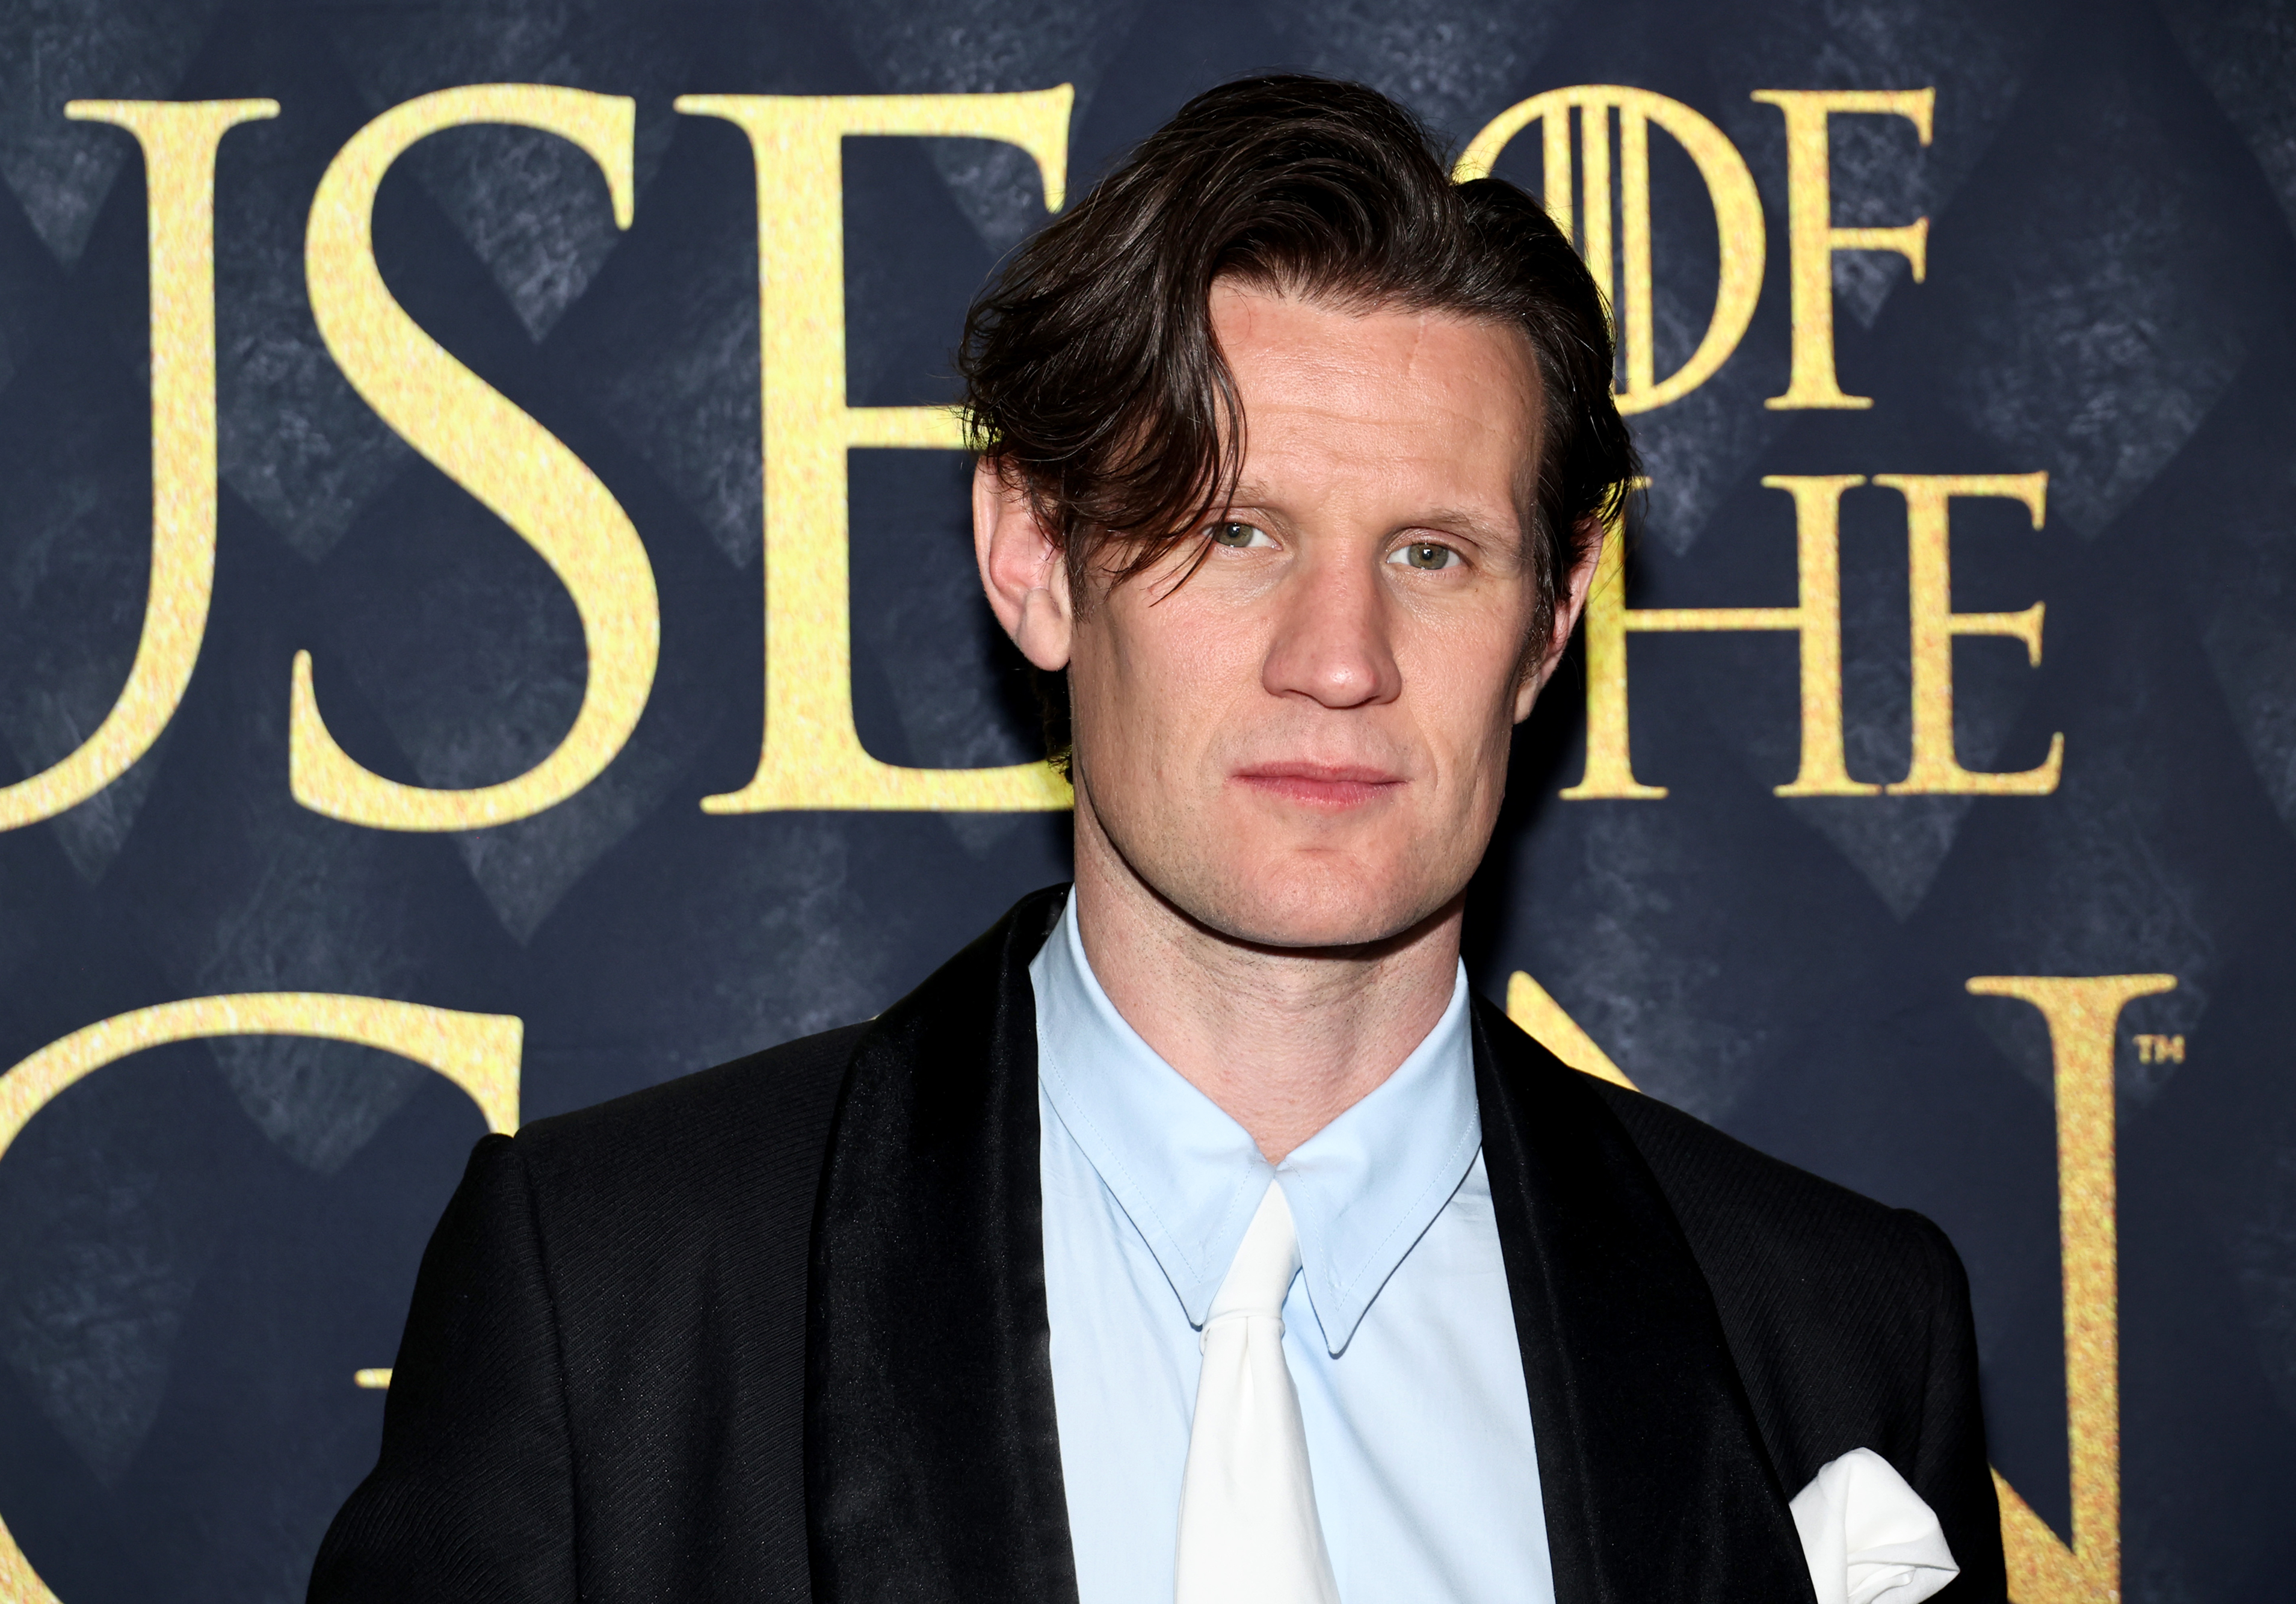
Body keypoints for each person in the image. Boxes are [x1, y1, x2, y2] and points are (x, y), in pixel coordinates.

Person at [309, 76, 2001, 1604]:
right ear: (1035, 555)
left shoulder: (1834, 1332)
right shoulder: (619, 1300)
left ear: (1552, 619)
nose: (1337, 657)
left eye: (1433, 553)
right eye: (1237, 529)